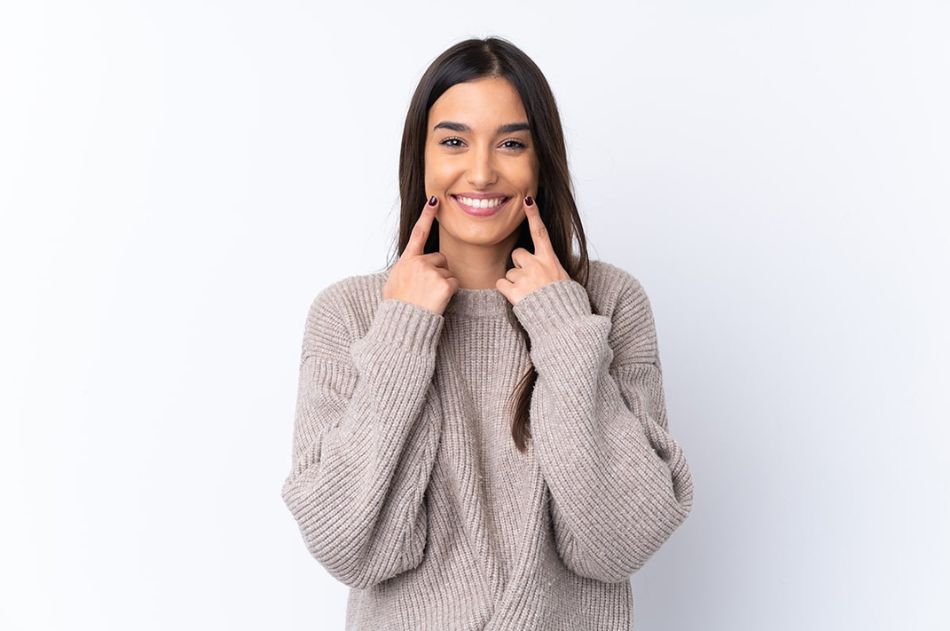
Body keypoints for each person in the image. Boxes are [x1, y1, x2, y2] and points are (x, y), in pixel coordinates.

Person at [280, 36, 694, 630]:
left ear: (541, 162)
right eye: (454, 142)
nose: (480, 172)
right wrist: (402, 332)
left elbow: (619, 543)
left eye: (511, 144)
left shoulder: (607, 303)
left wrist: (562, 326)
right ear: (421, 157)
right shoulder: (350, 313)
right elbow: (349, 546)